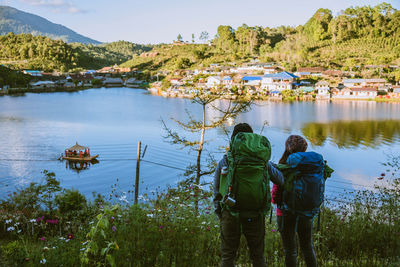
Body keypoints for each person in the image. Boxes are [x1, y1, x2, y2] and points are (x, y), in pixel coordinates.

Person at [213, 123, 284, 267]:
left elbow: (217, 190)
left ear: (233, 139)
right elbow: (281, 180)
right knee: (258, 256)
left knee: (228, 256)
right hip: (255, 213)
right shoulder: (262, 161)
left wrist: (220, 212)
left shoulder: (227, 160)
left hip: (230, 212)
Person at [271, 135, 318, 267]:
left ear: (287, 148)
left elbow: (275, 196)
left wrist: (274, 199)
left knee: (290, 251)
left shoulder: (283, 166)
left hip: (285, 213)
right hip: (306, 211)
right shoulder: (312, 166)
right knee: (308, 247)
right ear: (304, 148)